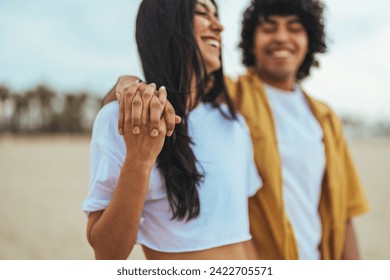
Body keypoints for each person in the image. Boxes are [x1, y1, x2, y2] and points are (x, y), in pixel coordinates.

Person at [82, 0, 261, 260]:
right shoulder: (122, 120)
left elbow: (242, 236)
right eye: (201, 12)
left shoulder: (234, 124)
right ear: (165, 23)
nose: (219, 26)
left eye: (216, 15)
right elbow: (108, 254)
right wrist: (140, 159)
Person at [228, 0, 370, 259]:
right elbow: (182, 86)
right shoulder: (231, 97)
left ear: (310, 40)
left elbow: (345, 213)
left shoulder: (326, 118)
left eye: (294, 28)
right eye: (269, 28)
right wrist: (130, 82)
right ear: (251, 40)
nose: (281, 37)